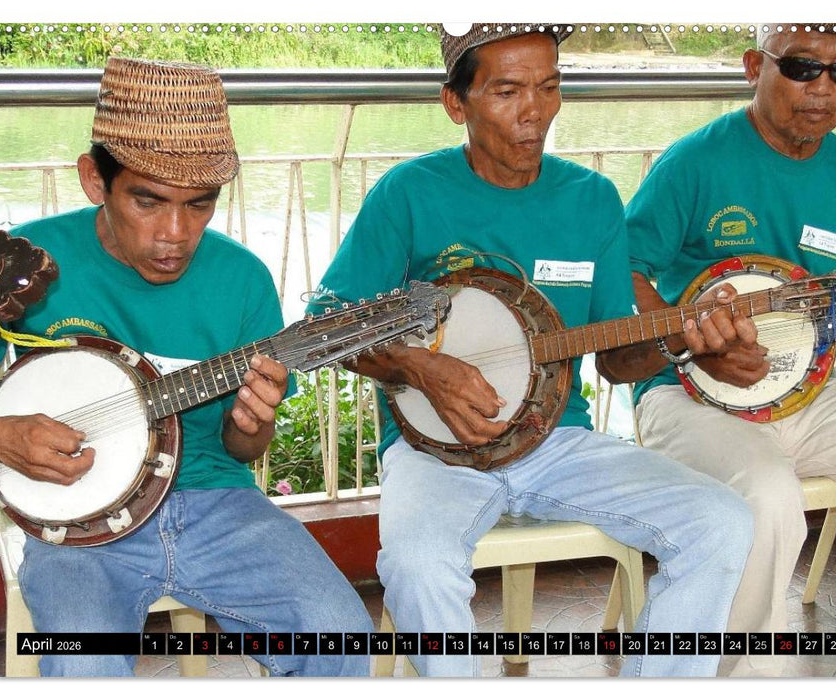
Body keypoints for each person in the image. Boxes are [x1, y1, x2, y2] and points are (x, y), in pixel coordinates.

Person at [308, 23, 754, 678]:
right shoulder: (408, 193)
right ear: (455, 103)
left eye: (548, 88)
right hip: (436, 451)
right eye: (507, 91)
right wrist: (416, 364)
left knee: (719, 519)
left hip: (557, 442)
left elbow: (613, 357)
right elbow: (326, 324)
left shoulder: (591, 198)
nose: (534, 112)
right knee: (417, 563)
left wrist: (672, 342)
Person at [0, 57, 372, 677]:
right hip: (77, 521)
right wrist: (1, 435)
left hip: (215, 500)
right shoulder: (25, 263)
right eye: (148, 200)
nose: (175, 233)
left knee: (341, 638)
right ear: (95, 180)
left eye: (200, 205)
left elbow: (245, 448)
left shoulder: (242, 277)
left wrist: (253, 424)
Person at [618, 24, 836, 677]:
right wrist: (691, 339)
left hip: (806, 389)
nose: (822, 89)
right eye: (803, 67)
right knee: (765, 495)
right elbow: (621, 272)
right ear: (754, 65)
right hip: (687, 393)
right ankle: (733, 677)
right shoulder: (693, 164)